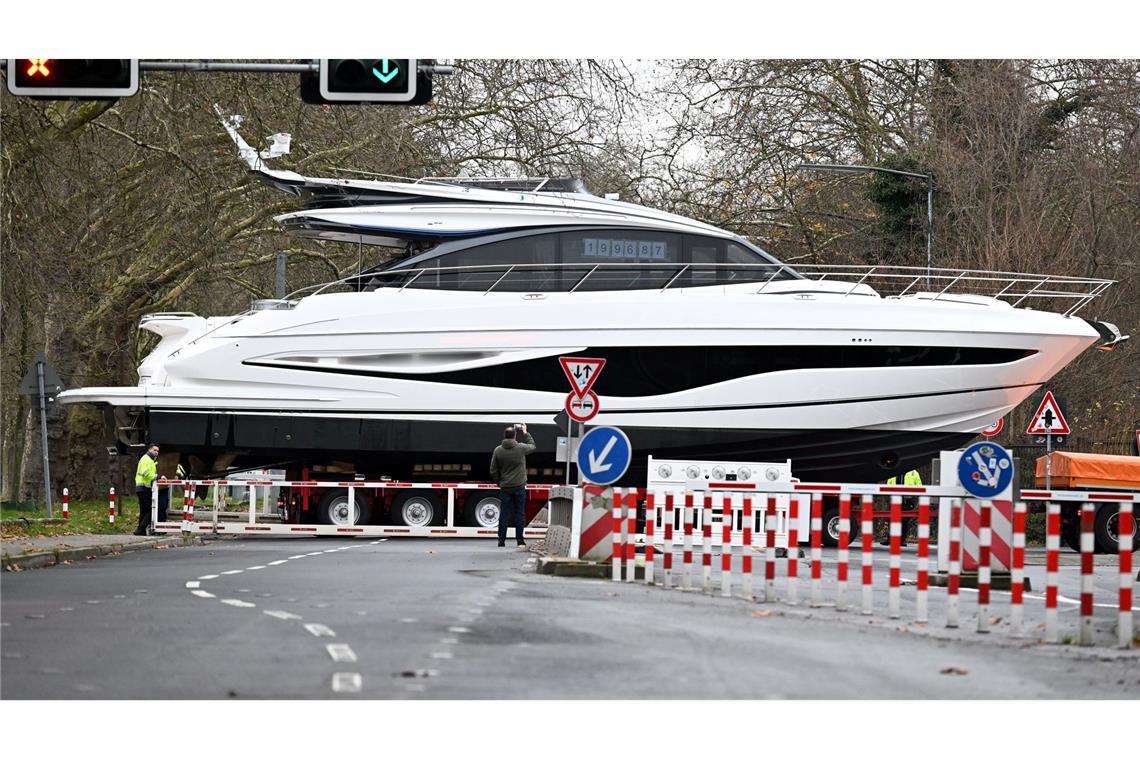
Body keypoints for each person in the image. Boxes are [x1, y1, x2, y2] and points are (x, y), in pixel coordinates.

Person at [489, 423, 536, 548]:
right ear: (515, 436)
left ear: (504, 436)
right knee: (519, 513)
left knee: (504, 514)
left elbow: (493, 469)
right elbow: (532, 446)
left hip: (505, 487)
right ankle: (520, 540)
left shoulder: (498, 450)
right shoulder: (520, 448)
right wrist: (525, 432)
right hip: (519, 486)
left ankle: (501, 540)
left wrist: (498, 481)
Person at [882, 469, 922, 547]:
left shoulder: (913, 473)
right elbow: (888, 484)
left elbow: (919, 486)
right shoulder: (894, 470)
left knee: (904, 521)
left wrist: (914, 497)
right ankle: (889, 539)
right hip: (894, 498)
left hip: (908, 500)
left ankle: (901, 540)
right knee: (891, 519)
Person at [133, 443, 160, 535]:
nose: (156, 452)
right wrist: (158, 477)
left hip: (142, 487)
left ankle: (140, 530)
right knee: (150, 509)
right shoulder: (146, 459)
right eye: (154, 450)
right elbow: (145, 474)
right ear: (149, 449)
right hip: (144, 488)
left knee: (144, 510)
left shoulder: (150, 460)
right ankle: (141, 527)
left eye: (157, 451)